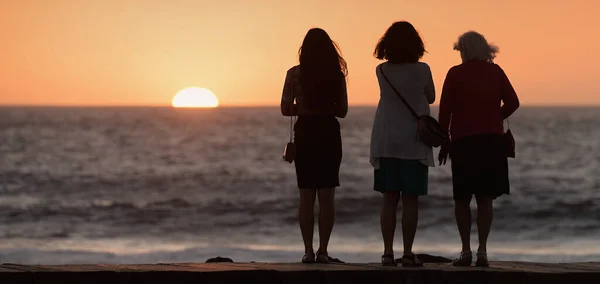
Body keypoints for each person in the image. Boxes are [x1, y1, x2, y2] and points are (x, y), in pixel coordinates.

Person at [438, 31, 520, 267]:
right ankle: (482, 251)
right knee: (485, 199)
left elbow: (445, 112)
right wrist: (495, 116)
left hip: (463, 142)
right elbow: (513, 102)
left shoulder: (455, 74)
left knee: (462, 199)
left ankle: (465, 252)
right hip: (491, 142)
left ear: (465, 50)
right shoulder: (495, 72)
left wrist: (444, 141)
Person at [370, 21, 435, 267]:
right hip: (414, 141)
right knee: (410, 200)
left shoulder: (382, 70)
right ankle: (408, 254)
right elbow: (431, 96)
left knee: (388, 198)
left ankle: (387, 253)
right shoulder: (423, 69)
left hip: (386, 140)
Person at [280, 28, 348, 264]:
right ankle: (323, 251)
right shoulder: (336, 76)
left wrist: (305, 108)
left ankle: (308, 251)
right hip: (328, 133)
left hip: (306, 132)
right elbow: (342, 111)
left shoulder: (294, 74)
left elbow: (285, 108)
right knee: (327, 197)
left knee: (306, 196)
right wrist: (323, 108)